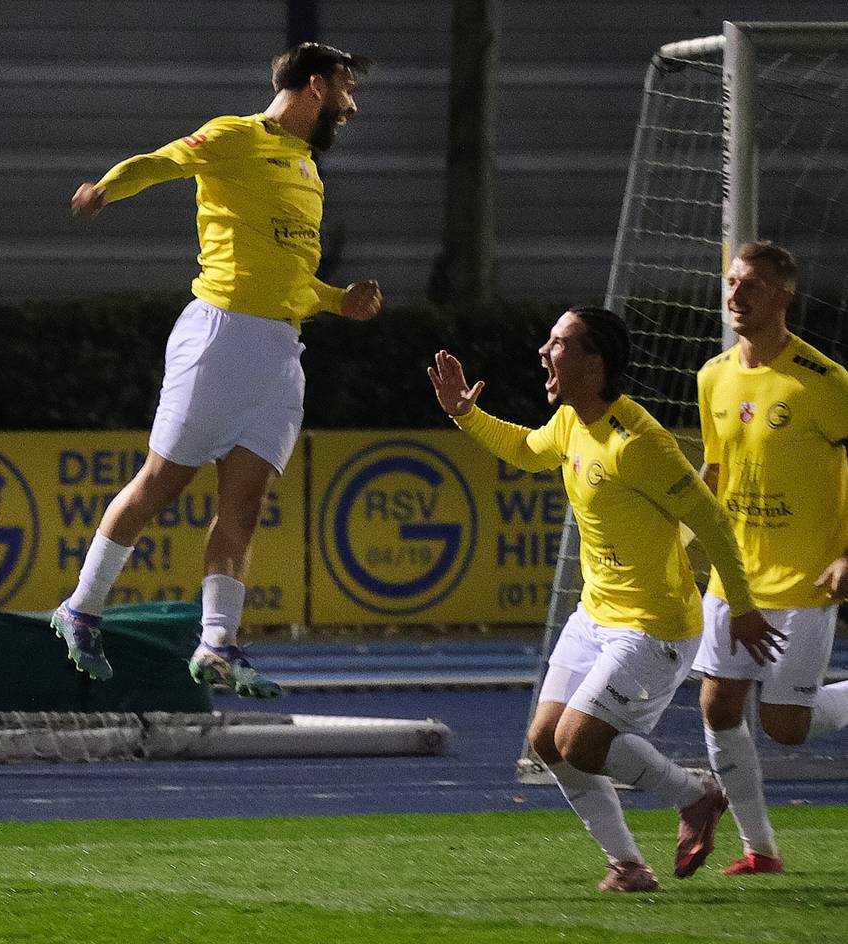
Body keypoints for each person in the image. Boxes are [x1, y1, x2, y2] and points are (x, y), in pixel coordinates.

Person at [51, 43, 382, 697]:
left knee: (245, 506)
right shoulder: (236, 136)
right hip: (220, 336)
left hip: (282, 356)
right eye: (346, 87)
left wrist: (338, 300)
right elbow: (163, 162)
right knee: (160, 484)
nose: (352, 103)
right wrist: (106, 189)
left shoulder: (307, 170)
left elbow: (290, 276)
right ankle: (81, 608)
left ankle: (217, 646)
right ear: (315, 86)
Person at [428, 306, 783, 892]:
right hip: (596, 613)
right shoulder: (570, 422)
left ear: (594, 365)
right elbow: (526, 448)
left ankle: (696, 797)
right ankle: (628, 865)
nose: (544, 351)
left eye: (558, 343)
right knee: (547, 741)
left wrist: (742, 605)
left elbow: (713, 524)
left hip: (654, 625)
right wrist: (466, 414)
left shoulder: (640, 442)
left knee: (580, 742)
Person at [693, 240, 848, 874]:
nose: (736, 294)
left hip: (806, 578)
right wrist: (679, 544)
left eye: (750, 285)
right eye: (731, 282)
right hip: (736, 577)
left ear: (781, 296)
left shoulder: (825, 380)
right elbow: (713, 470)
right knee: (717, 704)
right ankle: (760, 850)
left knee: (786, 724)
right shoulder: (713, 376)